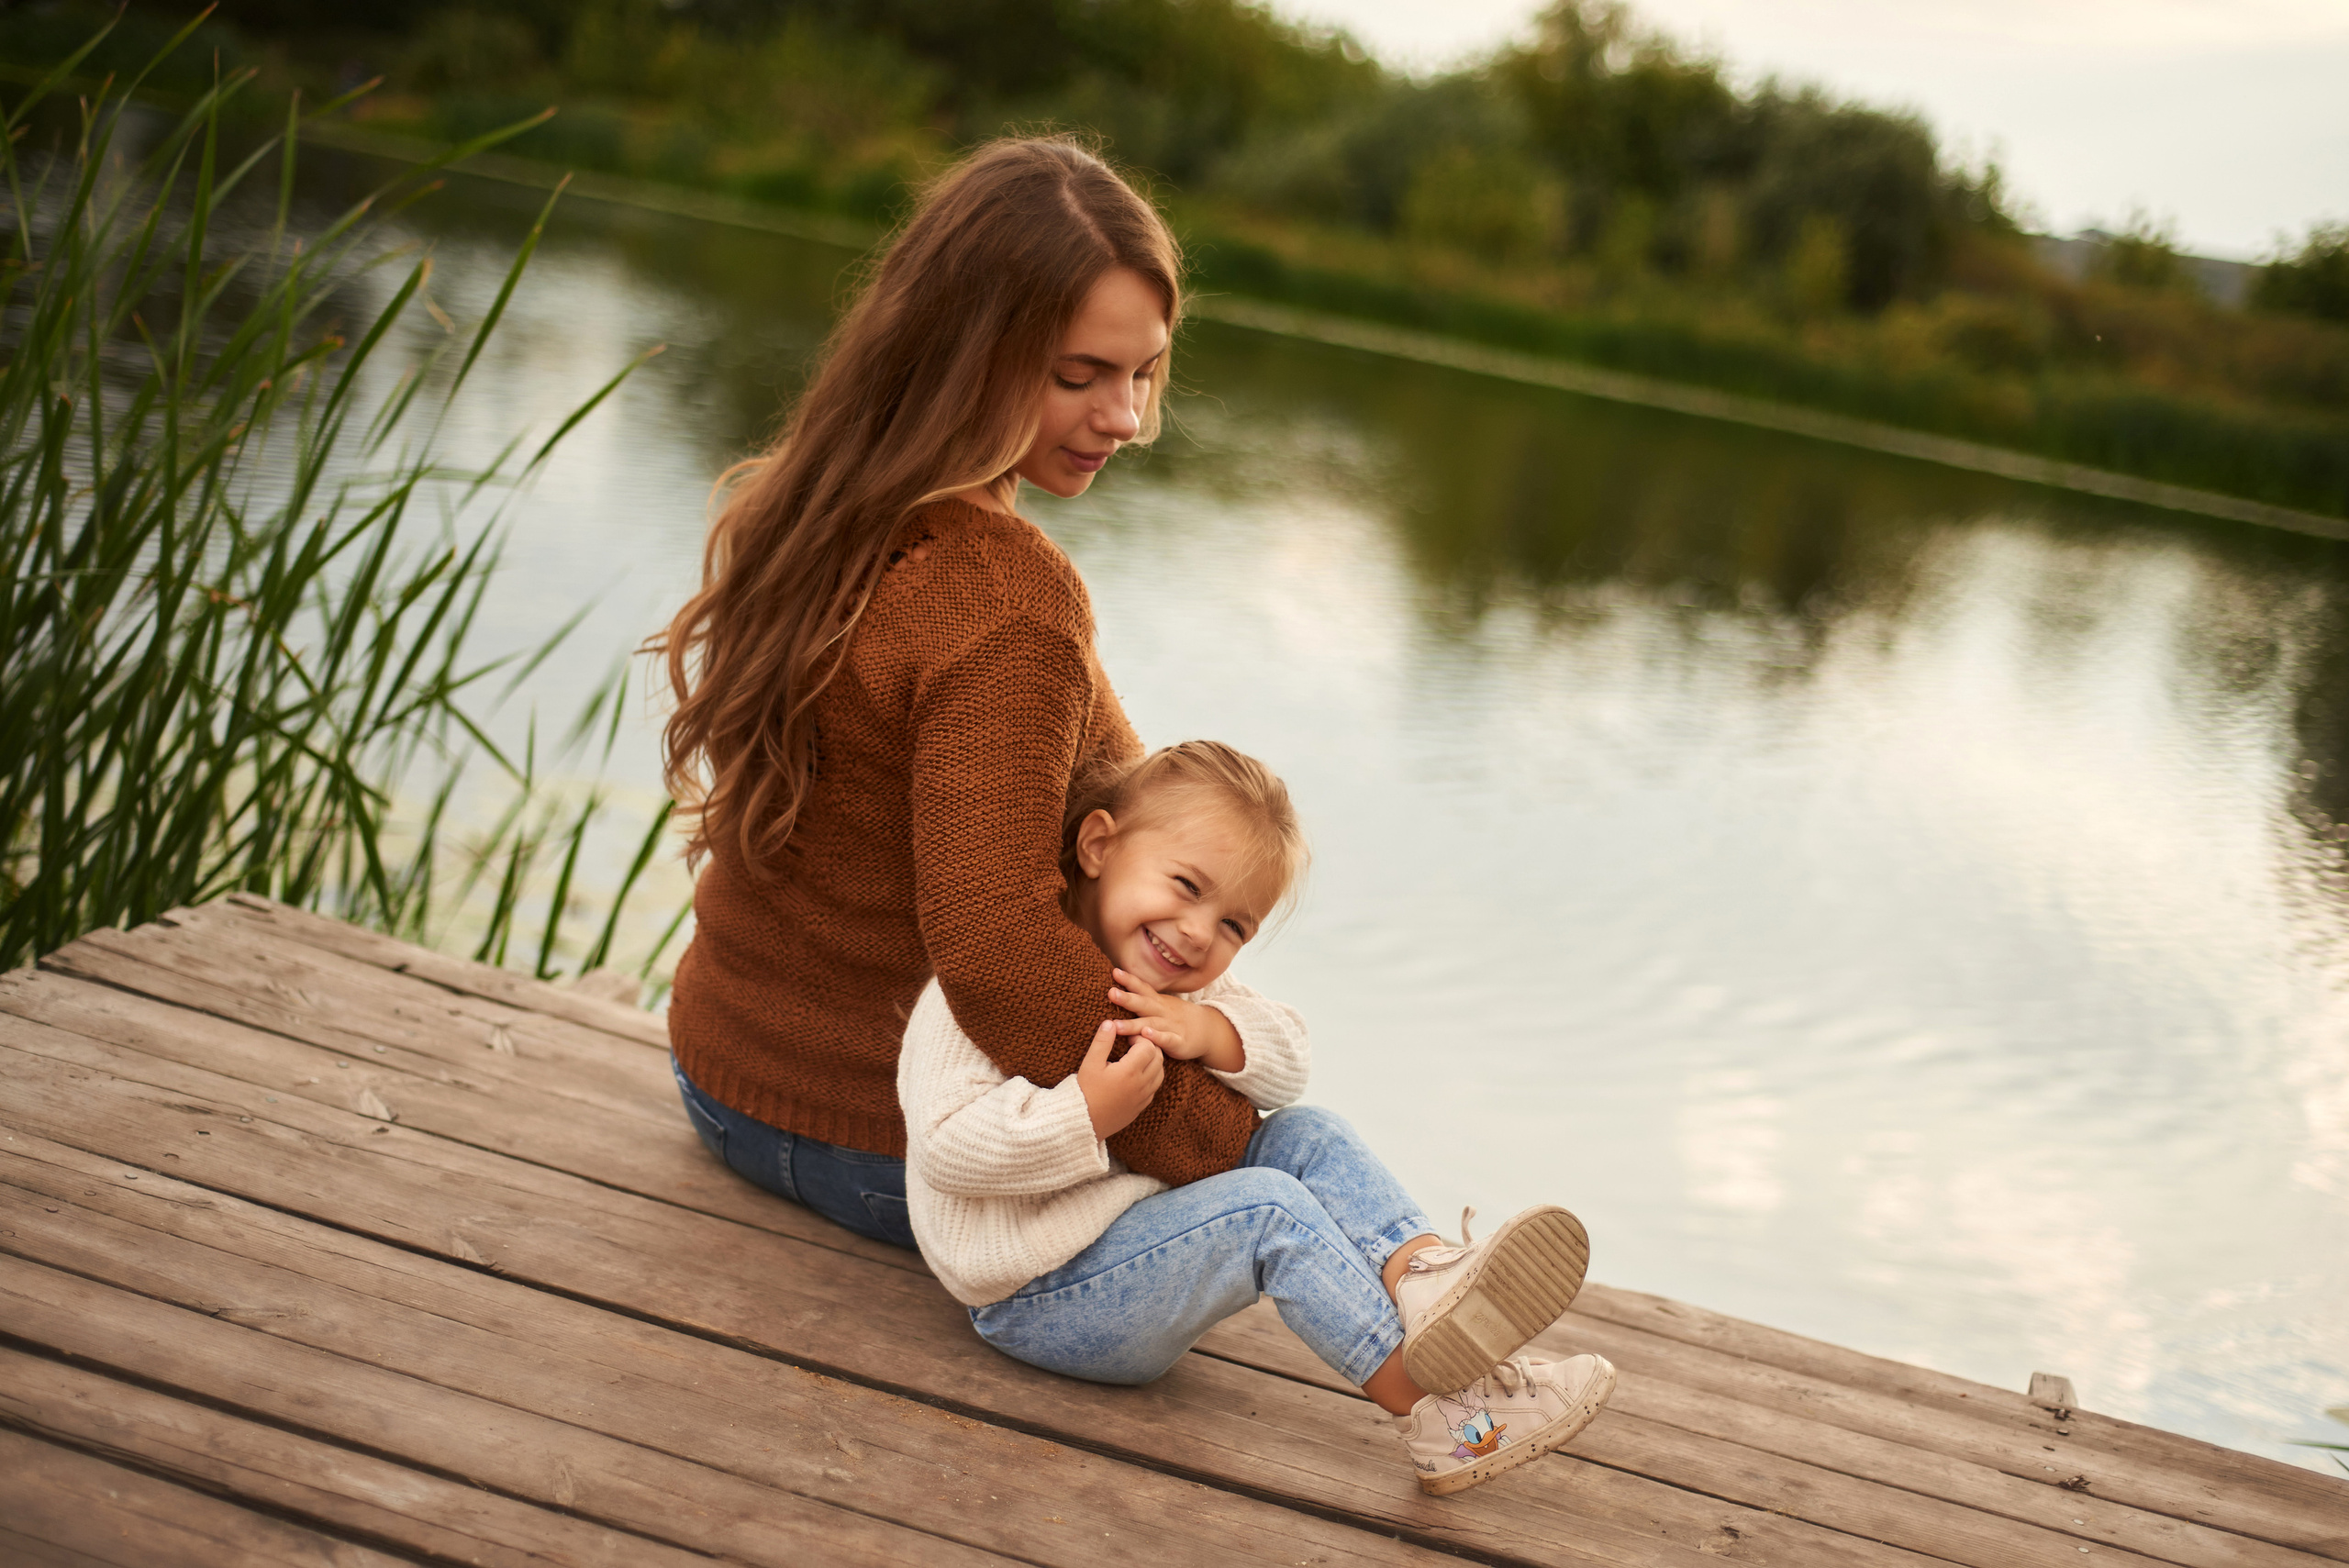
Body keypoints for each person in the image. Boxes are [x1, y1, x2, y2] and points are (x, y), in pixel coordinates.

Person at [654, 138, 1268, 1247]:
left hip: (719, 1077)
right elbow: (993, 949)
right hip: (883, 1142)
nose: (1124, 416)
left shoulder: (824, 510)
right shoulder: (1006, 595)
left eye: (1141, 370)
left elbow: (1104, 803)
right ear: (962, 355)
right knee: (1268, 1198)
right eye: (1077, 375)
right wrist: (1220, 1135)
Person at [898, 740, 1617, 1496]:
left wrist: (1206, 1031)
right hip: (1038, 1301)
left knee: (1309, 1131)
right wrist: (1083, 1115)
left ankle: (1425, 1283)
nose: (1199, 932)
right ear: (1099, 845)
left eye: (1235, 924)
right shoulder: (988, 983)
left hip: (1132, 1262)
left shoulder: (1182, 985)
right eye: (1184, 884)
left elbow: (1290, 1054)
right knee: (1267, 1210)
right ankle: (1453, 1418)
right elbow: (946, 1148)